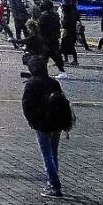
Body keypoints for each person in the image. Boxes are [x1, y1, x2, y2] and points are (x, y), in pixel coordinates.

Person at [21, 56, 72, 197]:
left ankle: (54, 185)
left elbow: (27, 106)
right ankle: (52, 182)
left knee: (47, 155)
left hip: (42, 125)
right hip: (56, 124)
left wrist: (34, 122)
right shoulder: (53, 83)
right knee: (53, 153)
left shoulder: (31, 84)